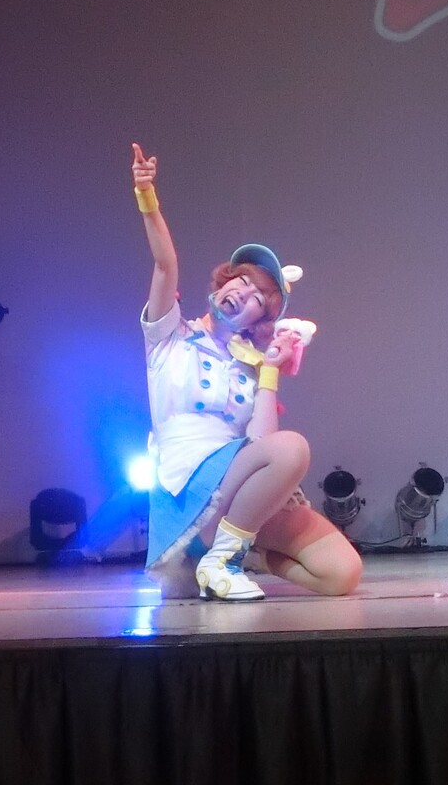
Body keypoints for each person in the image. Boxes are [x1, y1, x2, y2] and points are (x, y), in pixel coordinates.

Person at [131, 143, 362, 600]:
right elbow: (165, 263)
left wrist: (269, 370)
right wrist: (146, 195)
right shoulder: (170, 337)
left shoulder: (249, 368)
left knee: (341, 573)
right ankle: (221, 557)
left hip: (235, 496)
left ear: (256, 321)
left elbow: (261, 445)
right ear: (223, 283)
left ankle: (237, 555)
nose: (243, 292)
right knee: (294, 447)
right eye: (241, 280)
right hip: (191, 489)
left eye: (257, 297)